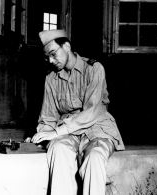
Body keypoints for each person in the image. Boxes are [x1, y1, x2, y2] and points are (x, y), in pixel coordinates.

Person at [25, 29, 125, 195]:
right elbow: (48, 116)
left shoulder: (94, 69)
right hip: (68, 133)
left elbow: (92, 111)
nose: (50, 60)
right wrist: (40, 135)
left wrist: (58, 131)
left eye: (53, 54)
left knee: (95, 157)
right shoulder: (51, 78)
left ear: (66, 46)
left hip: (97, 128)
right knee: (57, 148)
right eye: (47, 57)